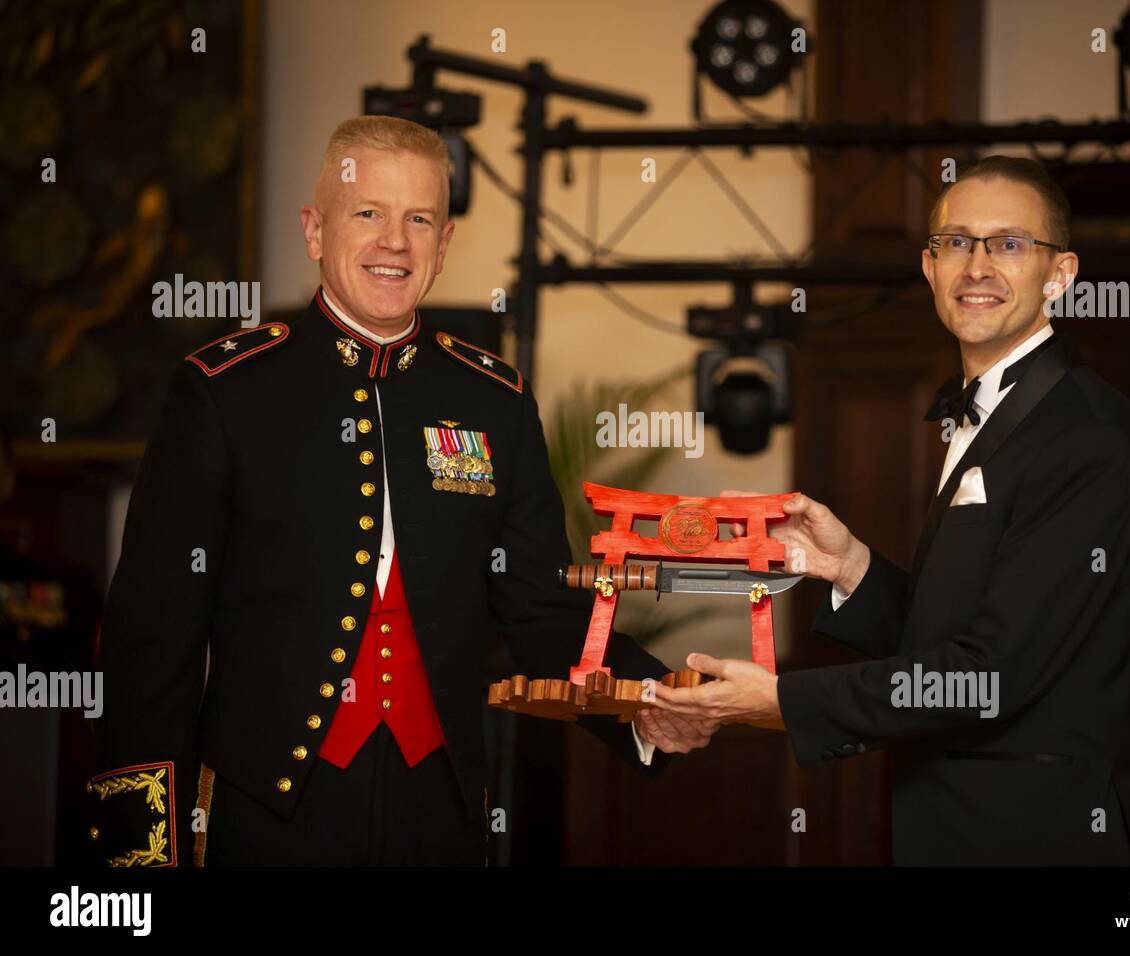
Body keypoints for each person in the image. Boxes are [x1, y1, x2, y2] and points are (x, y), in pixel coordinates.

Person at [86, 116, 717, 867]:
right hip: (267, 816)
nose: (395, 242)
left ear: (444, 245)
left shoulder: (495, 401)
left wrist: (645, 706)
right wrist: (139, 861)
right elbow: (152, 640)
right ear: (315, 230)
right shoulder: (225, 392)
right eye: (369, 214)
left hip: (439, 814)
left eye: (419, 219)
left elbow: (541, 608)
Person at [654, 156, 1130, 865]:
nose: (977, 266)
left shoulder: (1087, 435)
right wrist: (850, 566)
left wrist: (785, 701)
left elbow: (990, 673)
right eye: (957, 242)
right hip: (951, 830)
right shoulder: (988, 413)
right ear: (929, 268)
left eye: (1010, 244)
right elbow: (955, 635)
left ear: (1061, 274)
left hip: (1037, 839)